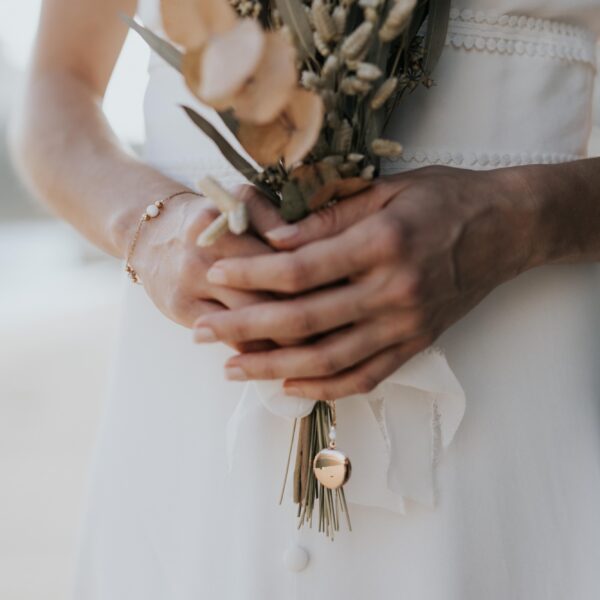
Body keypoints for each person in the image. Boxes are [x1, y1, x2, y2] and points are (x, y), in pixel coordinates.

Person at [12, 0, 600, 598]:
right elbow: (60, 82)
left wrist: (522, 219)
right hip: (194, 402)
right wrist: (149, 228)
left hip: (513, 384)